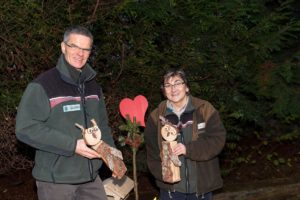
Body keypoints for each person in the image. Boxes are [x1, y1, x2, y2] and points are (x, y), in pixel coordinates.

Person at [15, 25, 114, 200]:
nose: (80, 53)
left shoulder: (93, 87)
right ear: (63, 47)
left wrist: (112, 157)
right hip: (56, 182)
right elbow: (26, 128)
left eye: (85, 49)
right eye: (74, 46)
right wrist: (73, 145)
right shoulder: (43, 85)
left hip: (91, 178)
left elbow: (103, 126)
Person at [145, 69, 226, 200]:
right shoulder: (155, 117)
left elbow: (217, 140)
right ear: (164, 91)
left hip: (200, 189)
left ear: (187, 87)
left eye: (177, 83)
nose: (173, 89)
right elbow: (152, 152)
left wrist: (189, 149)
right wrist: (163, 176)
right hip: (171, 191)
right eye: (168, 85)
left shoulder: (204, 109)